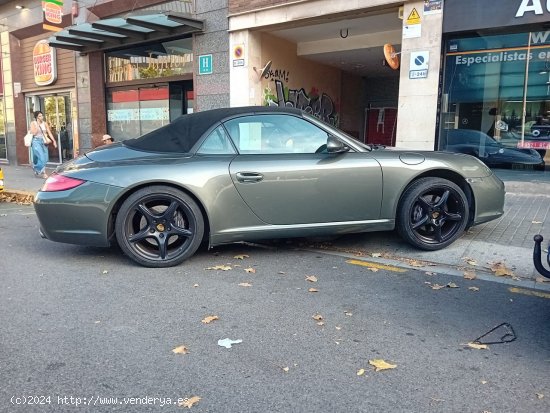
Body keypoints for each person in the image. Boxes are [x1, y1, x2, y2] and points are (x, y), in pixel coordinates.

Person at [29, 111, 57, 178]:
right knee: (41, 157)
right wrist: (37, 125)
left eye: (42, 115)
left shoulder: (45, 123)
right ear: (37, 117)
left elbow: (49, 133)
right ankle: (43, 173)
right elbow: (34, 133)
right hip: (36, 141)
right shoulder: (33, 123)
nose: (42, 117)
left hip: (44, 141)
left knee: (45, 158)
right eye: (40, 116)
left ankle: (35, 167)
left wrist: (54, 141)